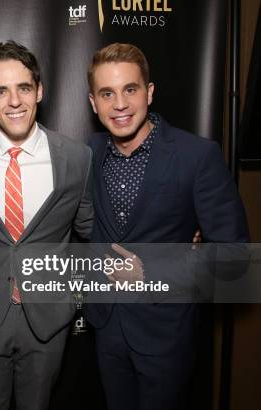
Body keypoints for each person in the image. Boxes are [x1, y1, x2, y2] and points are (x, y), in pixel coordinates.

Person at [85, 43, 249, 410]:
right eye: (107, 94)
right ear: (93, 103)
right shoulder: (86, 154)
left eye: (130, 89)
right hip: (106, 327)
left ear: (150, 92)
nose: (120, 104)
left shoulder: (197, 156)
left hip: (166, 333)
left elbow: (237, 259)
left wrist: (152, 269)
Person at [0, 40, 94, 410]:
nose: (14, 101)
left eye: (24, 88)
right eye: (1, 91)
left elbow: (92, 230)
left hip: (47, 316)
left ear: (40, 91)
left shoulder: (77, 158)